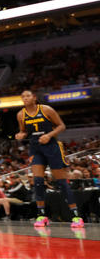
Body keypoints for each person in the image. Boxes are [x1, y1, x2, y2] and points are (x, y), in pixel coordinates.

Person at [15, 89, 84, 228]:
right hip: (36, 148)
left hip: (52, 147)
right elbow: (23, 130)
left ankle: (76, 217)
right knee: (38, 181)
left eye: (28, 95)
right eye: (23, 97)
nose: (25, 98)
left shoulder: (46, 109)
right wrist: (20, 135)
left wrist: (49, 135)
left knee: (61, 182)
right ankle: (41, 216)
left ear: (34, 97)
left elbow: (62, 126)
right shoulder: (21, 114)